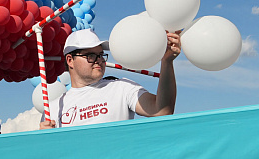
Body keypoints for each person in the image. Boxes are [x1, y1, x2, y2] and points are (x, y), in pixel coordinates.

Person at [40, 28, 181, 129]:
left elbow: (162, 111)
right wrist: (43, 140)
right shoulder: (53, 108)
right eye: (90, 56)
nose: (99, 60)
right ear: (70, 60)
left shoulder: (122, 87)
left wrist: (167, 62)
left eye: (101, 55)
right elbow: (49, 156)